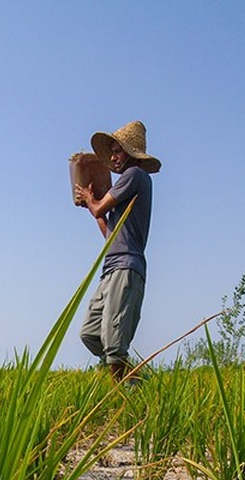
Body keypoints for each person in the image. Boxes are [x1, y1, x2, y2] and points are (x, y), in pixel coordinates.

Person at [73, 120, 160, 384]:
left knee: (113, 344)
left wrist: (91, 200)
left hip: (127, 267)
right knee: (89, 332)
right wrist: (91, 206)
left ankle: (124, 395)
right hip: (111, 267)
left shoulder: (135, 176)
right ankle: (133, 379)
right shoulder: (127, 183)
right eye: (111, 151)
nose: (113, 157)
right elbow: (109, 233)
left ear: (131, 153)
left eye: (118, 151)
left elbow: (99, 208)